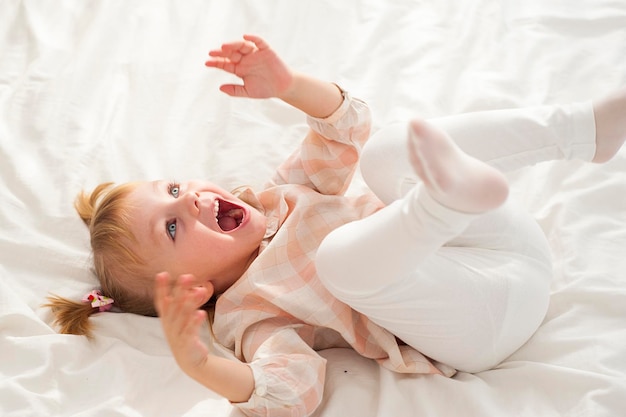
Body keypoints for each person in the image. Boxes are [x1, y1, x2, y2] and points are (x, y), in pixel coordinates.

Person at [46, 34, 626, 417]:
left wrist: (289, 86)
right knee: (340, 260)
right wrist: (204, 367)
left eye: (175, 189)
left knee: (387, 151)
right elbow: (288, 392)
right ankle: (441, 202)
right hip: (484, 321)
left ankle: (582, 131)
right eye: (173, 227)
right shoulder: (251, 316)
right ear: (195, 292)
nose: (193, 201)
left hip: (500, 245)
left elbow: (345, 127)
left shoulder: (280, 196)